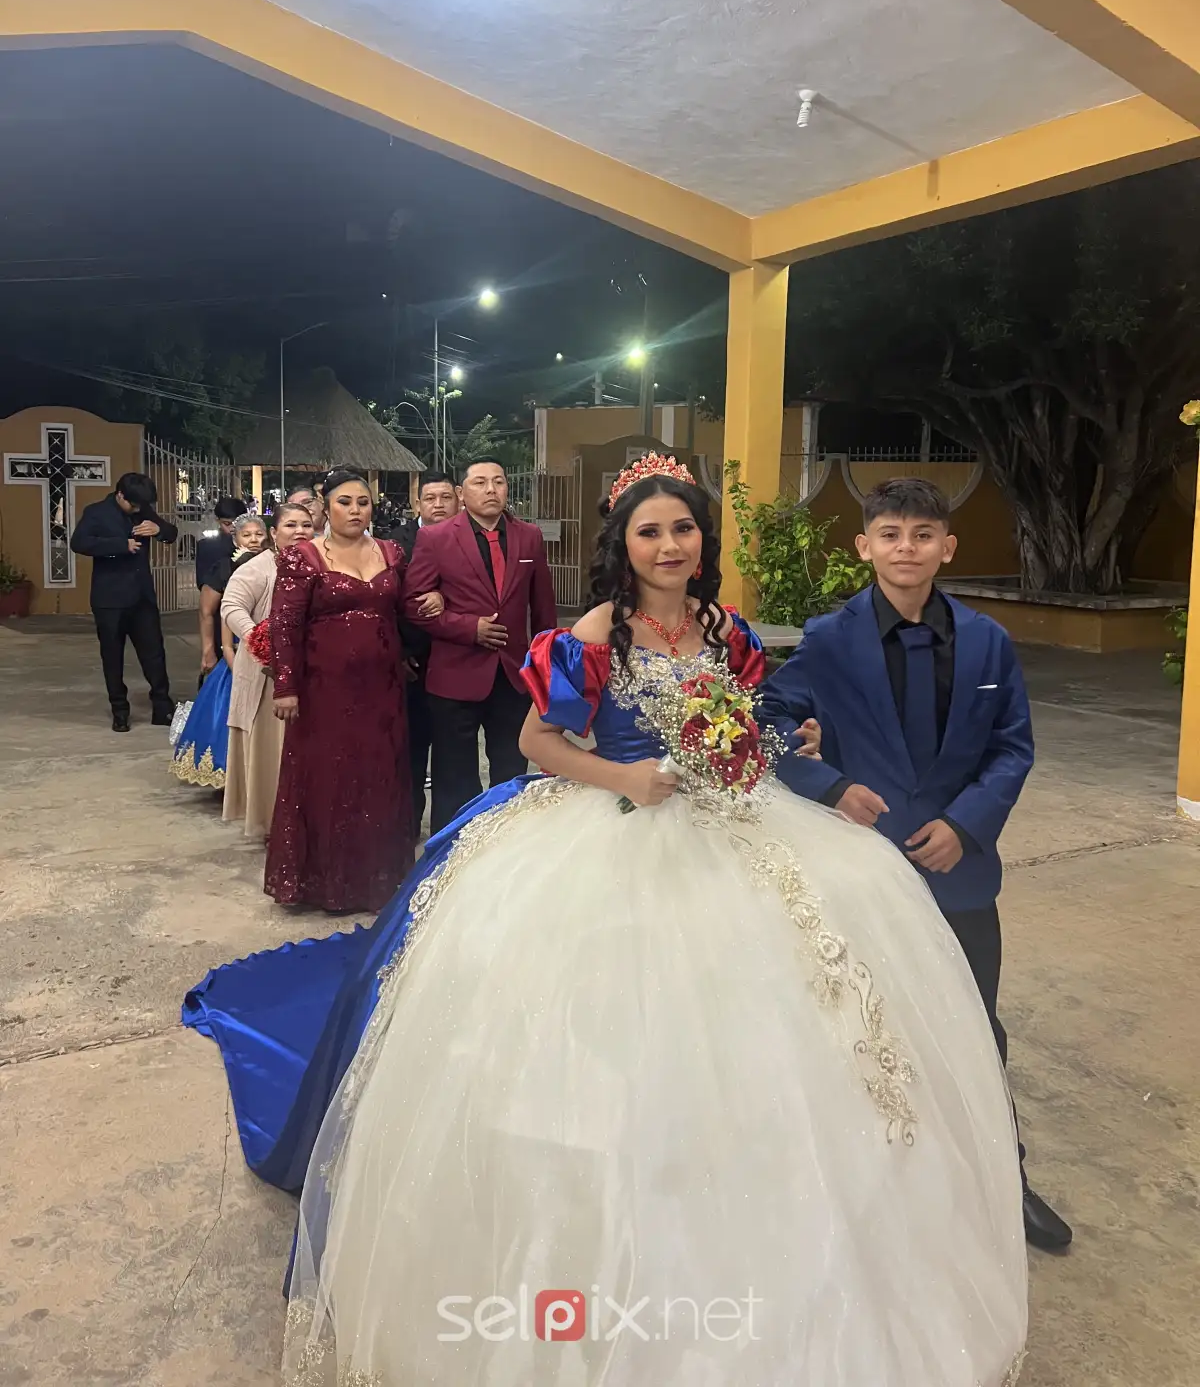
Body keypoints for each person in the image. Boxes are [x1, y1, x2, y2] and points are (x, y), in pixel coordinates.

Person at [183, 455, 1027, 1386]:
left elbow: (757, 725)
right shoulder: (592, 634)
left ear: (703, 540)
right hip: (616, 826)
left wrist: (780, 741)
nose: (669, 546)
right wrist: (624, 775)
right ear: (622, 546)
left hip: (733, 823)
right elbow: (537, 742)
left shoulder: (727, 628)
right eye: (649, 532)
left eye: (683, 529)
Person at [758, 475, 1072, 1254]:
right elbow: (765, 719)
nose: (907, 548)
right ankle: (876, 1182)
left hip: (959, 872)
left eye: (923, 535)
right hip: (862, 868)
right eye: (891, 534)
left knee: (975, 1024)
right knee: (868, 1025)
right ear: (864, 545)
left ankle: (1005, 1179)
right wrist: (830, 786)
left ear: (947, 547)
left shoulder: (988, 642)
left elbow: (1012, 747)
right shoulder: (829, 639)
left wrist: (967, 824)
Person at [264, 469, 415, 913]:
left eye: (363, 503)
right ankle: (325, 884)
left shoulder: (391, 552)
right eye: (345, 502)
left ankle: (377, 880)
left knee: (379, 776)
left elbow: (404, 610)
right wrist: (286, 687)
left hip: (383, 688)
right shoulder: (304, 557)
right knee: (329, 778)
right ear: (325, 507)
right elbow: (285, 625)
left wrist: (434, 606)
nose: (355, 511)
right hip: (323, 689)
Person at [405, 459, 556, 831]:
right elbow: (413, 605)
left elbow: (543, 608)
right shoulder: (436, 538)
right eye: (480, 482)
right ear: (461, 493)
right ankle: (452, 847)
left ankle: (504, 842)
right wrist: (468, 628)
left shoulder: (529, 536)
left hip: (513, 674)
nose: (491, 490)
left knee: (511, 769)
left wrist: (546, 666)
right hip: (454, 675)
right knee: (454, 777)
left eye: (499, 482)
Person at [219, 503, 315, 838]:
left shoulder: (323, 563)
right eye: (291, 525)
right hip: (268, 675)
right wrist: (258, 637)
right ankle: (275, 825)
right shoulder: (259, 567)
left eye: (306, 524)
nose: (300, 531)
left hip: (313, 673)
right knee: (273, 751)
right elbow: (231, 606)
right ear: (274, 533)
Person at [70, 472, 179, 732]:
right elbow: (78, 543)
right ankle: (120, 710)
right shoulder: (96, 512)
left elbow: (171, 533)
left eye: (142, 506)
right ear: (120, 495)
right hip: (109, 599)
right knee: (113, 656)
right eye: (133, 504)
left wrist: (159, 530)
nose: (138, 509)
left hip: (142, 597)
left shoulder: (143, 509)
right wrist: (120, 545)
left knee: (154, 653)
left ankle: (162, 706)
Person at [171, 514, 268, 787]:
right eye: (246, 535)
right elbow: (208, 612)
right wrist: (210, 650)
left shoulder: (277, 565)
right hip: (236, 651)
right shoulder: (225, 569)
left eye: (258, 534)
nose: (253, 540)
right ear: (235, 539)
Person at [395, 470, 459, 829]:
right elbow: (387, 601)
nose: (438, 505)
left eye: (445, 497)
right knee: (412, 751)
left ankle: (447, 830)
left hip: (458, 658)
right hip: (413, 663)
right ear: (417, 503)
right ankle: (406, 827)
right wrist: (399, 652)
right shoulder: (396, 543)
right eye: (430, 498)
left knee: (452, 754)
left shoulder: (470, 537)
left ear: (458, 499)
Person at [195, 494, 248, 684]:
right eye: (227, 524)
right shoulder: (209, 548)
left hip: (252, 623)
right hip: (221, 619)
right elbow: (206, 606)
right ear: (218, 521)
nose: (233, 528)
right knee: (222, 676)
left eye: (237, 523)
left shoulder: (260, 546)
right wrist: (207, 648)